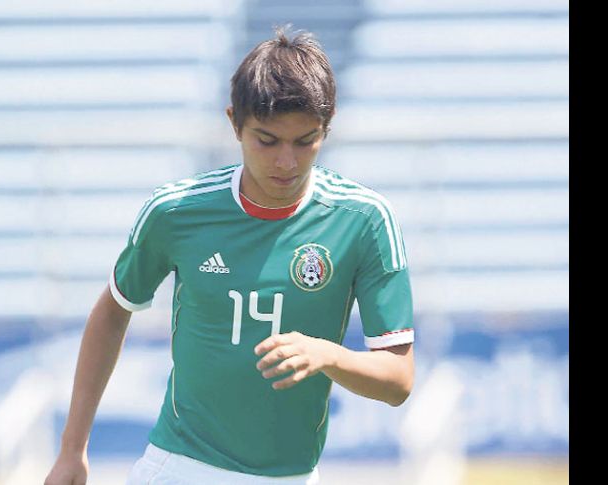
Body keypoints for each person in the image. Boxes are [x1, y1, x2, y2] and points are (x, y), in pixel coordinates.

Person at [44, 25, 414, 485]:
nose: (286, 162)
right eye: (267, 140)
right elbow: (114, 311)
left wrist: (326, 355)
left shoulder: (365, 220)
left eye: (305, 141)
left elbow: (398, 380)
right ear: (234, 121)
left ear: (328, 126)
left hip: (292, 477)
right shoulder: (176, 211)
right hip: (179, 467)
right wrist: (72, 450)